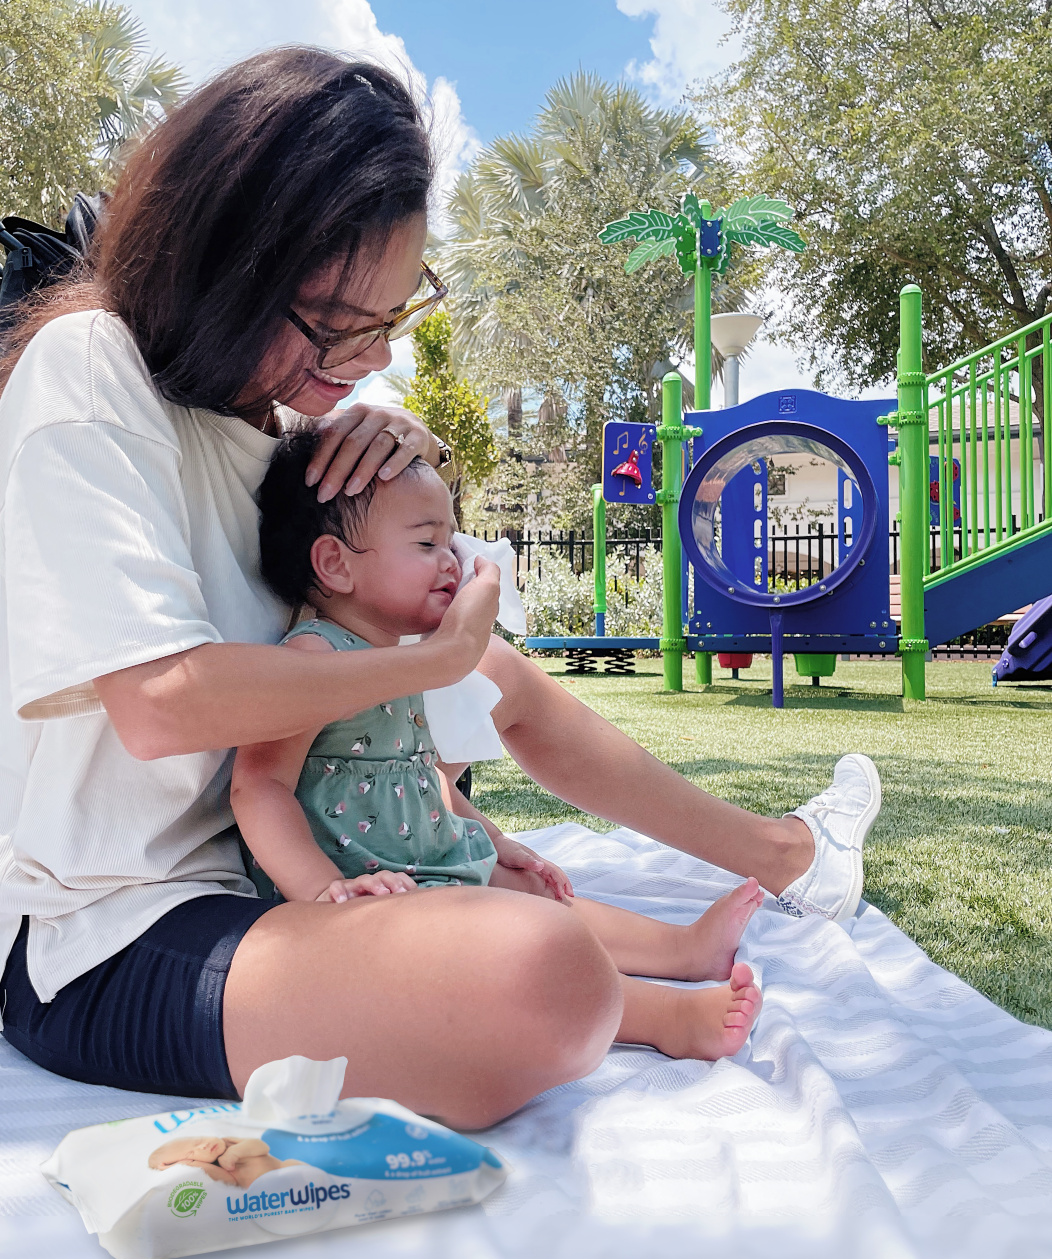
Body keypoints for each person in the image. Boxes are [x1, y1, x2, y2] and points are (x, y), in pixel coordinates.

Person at [0, 47, 880, 1131]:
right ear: (218, 260)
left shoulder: (281, 431)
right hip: (117, 936)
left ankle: (776, 857)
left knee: (511, 881)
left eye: (390, 318)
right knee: (534, 969)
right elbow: (160, 701)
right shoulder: (92, 368)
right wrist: (432, 659)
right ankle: (667, 966)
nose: (365, 361)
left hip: (275, 883)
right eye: (333, 322)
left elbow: (362, 690)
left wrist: (385, 448)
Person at [233, 439, 767, 1061]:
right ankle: (665, 1018)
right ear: (336, 564)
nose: (453, 561)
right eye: (427, 543)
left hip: (428, 859)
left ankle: (682, 950)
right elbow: (260, 786)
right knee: (499, 947)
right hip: (369, 891)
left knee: (530, 888)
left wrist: (491, 836)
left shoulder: (399, 657)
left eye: (452, 542)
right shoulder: (314, 658)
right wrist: (325, 894)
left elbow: (418, 776)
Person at [148, 1137, 302, 1187]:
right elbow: (229, 1182)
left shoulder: (228, 1142)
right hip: (266, 1192)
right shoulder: (215, 1169)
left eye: (198, 1140)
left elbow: (262, 1146)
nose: (204, 1145)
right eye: (192, 1153)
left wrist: (234, 1153)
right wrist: (189, 1165)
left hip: (283, 1170)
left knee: (292, 1164)